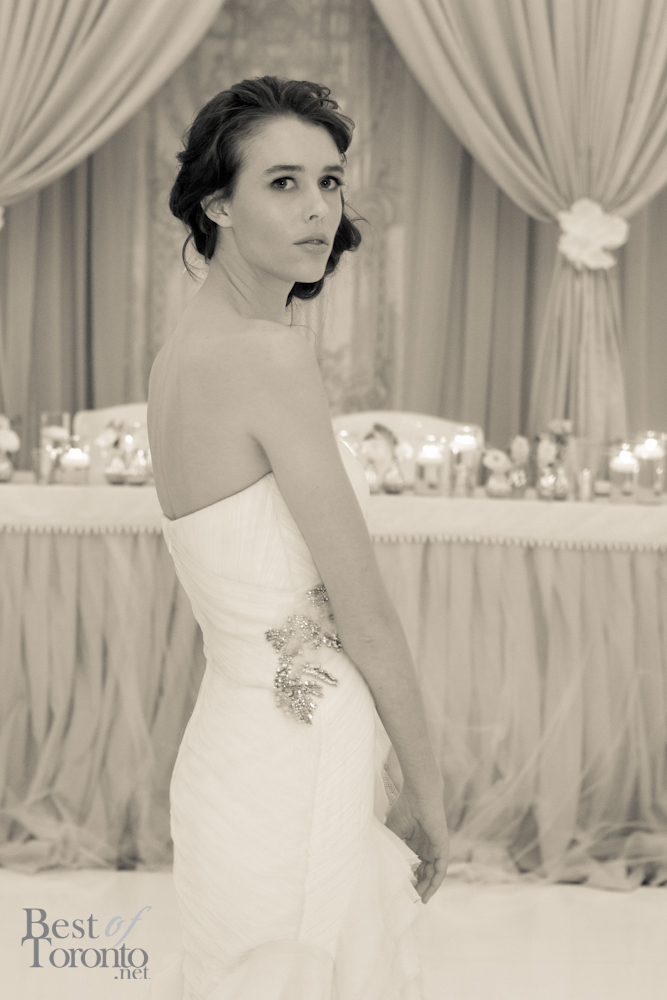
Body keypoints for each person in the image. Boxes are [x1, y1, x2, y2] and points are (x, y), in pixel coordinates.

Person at [147, 75, 448, 1000]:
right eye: (282, 183)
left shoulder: (183, 351)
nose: (318, 208)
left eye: (329, 181)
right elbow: (365, 613)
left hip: (231, 744)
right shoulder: (265, 355)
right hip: (297, 749)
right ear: (216, 204)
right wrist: (428, 790)